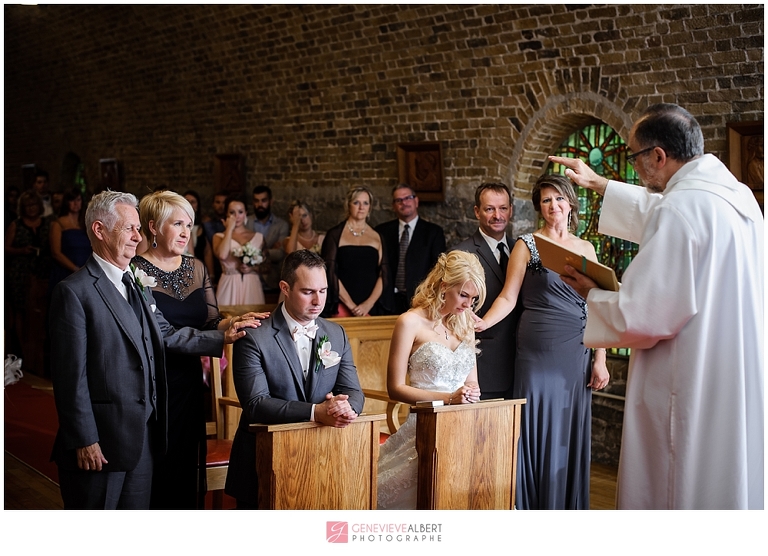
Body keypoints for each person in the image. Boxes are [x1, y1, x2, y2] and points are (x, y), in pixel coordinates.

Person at [552, 103, 764, 510]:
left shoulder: (680, 209)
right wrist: (600, 185)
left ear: (658, 156)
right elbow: (662, 215)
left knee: (677, 482)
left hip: (689, 378)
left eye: (634, 157)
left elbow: (641, 315)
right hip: (736, 371)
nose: (636, 167)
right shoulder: (740, 201)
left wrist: (591, 295)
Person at [48, 190, 257, 510]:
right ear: (100, 230)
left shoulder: (134, 283)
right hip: (100, 440)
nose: (137, 236)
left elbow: (166, 335)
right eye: (129, 228)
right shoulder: (73, 292)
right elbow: (70, 377)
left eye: (137, 228)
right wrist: (84, 438)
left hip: (144, 435)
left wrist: (223, 335)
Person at [474, 174, 609, 510]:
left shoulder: (586, 248)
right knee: (534, 423)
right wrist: (482, 322)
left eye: (560, 199)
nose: (554, 206)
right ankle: (531, 507)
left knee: (567, 427)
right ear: (539, 207)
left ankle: (563, 506)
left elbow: (600, 306)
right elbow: (508, 297)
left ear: (571, 203)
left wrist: (601, 358)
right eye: (547, 200)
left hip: (576, 350)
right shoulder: (527, 245)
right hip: (536, 350)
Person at [132, 190, 267, 509]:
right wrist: (220, 338)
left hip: (189, 381)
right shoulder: (134, 271)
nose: (185, 232)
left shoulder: (196, 268)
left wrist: (232, 323)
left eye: (188, 224)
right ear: (153, 227)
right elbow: (158, 334)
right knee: (155, 465)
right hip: (153, 383)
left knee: (184, 463)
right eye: (176, 223)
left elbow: (210, 321)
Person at [224, 250, 365, 508]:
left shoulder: (336, 333)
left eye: (323, 291)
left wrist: (346, 408)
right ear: (285, 288)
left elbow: (354, 391)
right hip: (264, 460)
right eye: (308, 291)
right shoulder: (255, 336)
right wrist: (315, 412)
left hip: (325, 459)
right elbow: (255, 404)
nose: (318, 301)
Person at [377, 251, 484, 509]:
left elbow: (473, 384)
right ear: (444, 286)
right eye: (464, 295)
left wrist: (471, 394)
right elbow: (396, 388)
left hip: (464, 429)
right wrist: (448, 399)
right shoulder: (409, 323)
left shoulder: (464, 324)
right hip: (424, 426)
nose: (468, 305)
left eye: (474, 299)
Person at [452, 182, 521, 400]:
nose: (497, 215)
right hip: (484, 366)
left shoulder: (521, 250)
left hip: (522, 365)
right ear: (476, 211)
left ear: (511, 210)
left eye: (503, 208)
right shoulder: (462, 253)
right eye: (489, 209)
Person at [375, 184, 446, 315]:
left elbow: (438, 269)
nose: (404, 203)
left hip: (420, 300)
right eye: (399, 200)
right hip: (387, 301)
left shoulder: (433, 232)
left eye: (408, 198)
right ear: (393, 205)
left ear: (416, 201)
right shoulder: (381, 232)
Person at [321, 185, 388, 317]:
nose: (361, 207)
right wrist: (351, 306)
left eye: (365, 203)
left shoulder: (377, 236)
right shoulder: (334, 235)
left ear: (370, 207)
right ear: (348, 205)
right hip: (341, 305)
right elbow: (329, 272)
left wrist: (368, 304)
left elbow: (384, 274)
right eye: (356, 202)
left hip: (371, 307)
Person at [5, 190, 52, 376]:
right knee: (21, 311)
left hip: (41, 271)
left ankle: (36, 356)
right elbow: (6, 248)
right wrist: (22, 250)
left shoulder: (47, 223)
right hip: (21, 272)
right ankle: (21, 349)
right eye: (28, 206)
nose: (31, 209)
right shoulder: (16, 225)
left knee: (38, 313)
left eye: (34, 205)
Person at [213, 196, 266, 306]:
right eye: (232, 212)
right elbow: (222, 255)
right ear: (226, 214)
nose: (236, 216)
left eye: (240, 212)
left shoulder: (258, 237)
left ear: (245, 213)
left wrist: (252, 267)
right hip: (229, 283)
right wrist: (229, 229)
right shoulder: (219, 237)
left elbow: (267, 266)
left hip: (251, 283)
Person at [48, 188, 91, 294]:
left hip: (87, 270)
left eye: (78, 200)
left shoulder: (85, 223)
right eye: (72, 200)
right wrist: (75, 268)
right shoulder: (58, 224)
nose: (76, 203)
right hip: (66, 270)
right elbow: (56, 253)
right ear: (66, 202)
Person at [250, 185, 289, 293]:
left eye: (263, 200)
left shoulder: (281, 225)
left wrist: (251, 253)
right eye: (256, 201)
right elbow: (239, 251)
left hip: (272, 280)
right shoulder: (245, 222)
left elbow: (280, 254)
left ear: (271, 201)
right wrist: (268, 249)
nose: (260, 204)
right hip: (248, 279)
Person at [202, 191, 228, 286]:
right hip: (212, 265)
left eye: (224, 202)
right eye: (218, 202)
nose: (221, 206)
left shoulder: (233, 224)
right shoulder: (207, 224)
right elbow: (207, 249)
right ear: (213, 204)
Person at [182, 189, 208, 263]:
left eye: (193, 202)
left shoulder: (202, 226)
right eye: (187, 201)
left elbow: (207, 252)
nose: (189, 204)